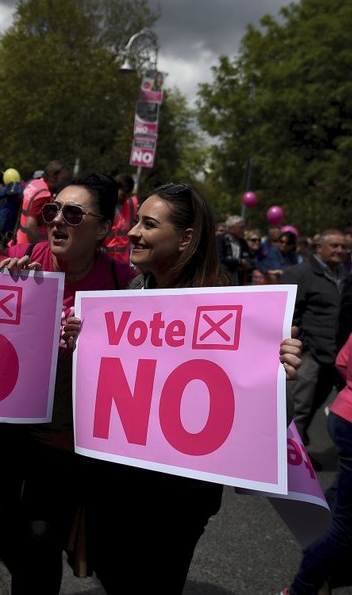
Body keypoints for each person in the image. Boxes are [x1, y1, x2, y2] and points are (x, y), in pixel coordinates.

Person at [79, 183, 302, 593]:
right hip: (115, 485)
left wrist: (278, 376)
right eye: (136, 222)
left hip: (178, 497)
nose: (132, 233)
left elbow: (271, 419)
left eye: (148, 224)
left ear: (186, 238)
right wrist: (83, 342)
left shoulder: (229, 307)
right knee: (110, 570)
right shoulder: (130, 294)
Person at [0, 173, 137, 592]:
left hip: (61, 445)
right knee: (0, 527)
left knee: (39, 538)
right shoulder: (21, 259)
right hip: (5, 437)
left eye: (72, 214)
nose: (56, 221)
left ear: (105, 229)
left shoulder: (123, 284)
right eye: (51, 210)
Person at [284, 288, 352, 595]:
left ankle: (323, 575)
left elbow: (343, 361)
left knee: (342, 507)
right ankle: (302, 587)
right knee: (347, 524)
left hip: (347, 412)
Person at [282, 229, 347, 445]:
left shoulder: (342, 275)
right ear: (320, 247)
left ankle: (302, 456)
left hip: (333, 355)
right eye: (335, 246)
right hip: (309, 356)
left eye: (344, 247)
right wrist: (305, 345)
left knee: (313, 408)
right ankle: (289, 463)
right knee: (298, 410)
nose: (340, 250)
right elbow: (289, 314)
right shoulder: (300, 273)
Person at [14, 160, 70, 244]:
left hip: (21, 239)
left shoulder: (35, 183)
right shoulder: (44, 195)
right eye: (64, 179)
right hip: (30, 244)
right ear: (53, 177)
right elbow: (31, 224)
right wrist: (37, 248)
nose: (65, 182)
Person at [103, 172, 138, 263]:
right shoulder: (105, 204)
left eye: (126, 191)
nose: (123, 193)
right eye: (121, 189)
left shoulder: (131, 206)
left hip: (121, 261)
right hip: (103, 255)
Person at [216, 214, 251, 284]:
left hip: (238, 278)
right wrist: (239, 261)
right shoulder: (221, 240)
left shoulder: (243, 242)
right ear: (231, 228)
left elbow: (247, 258)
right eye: (241, 227)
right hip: (222, 277)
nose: (243, 230)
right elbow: (220, 259)